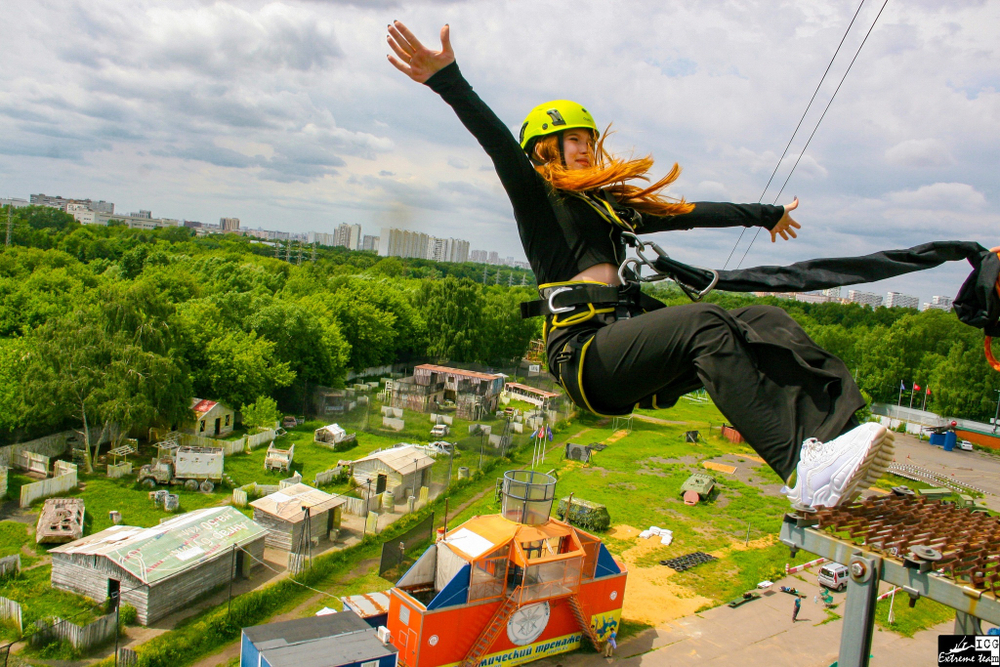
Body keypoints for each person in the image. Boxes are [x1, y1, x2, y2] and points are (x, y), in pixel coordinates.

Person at [386, 21, 1000, 509]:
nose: (586, 148)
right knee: (705, 322)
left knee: (760, 319)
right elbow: (497, 143)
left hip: (620, 345)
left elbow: (684, 212)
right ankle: (799, 468)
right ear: (545, 149)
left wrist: (762, 213)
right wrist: (449, 79)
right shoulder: (538, 200)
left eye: (589, 140)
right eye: (574, 139)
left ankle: (830, 442)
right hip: (581, 355)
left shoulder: (608, 212)